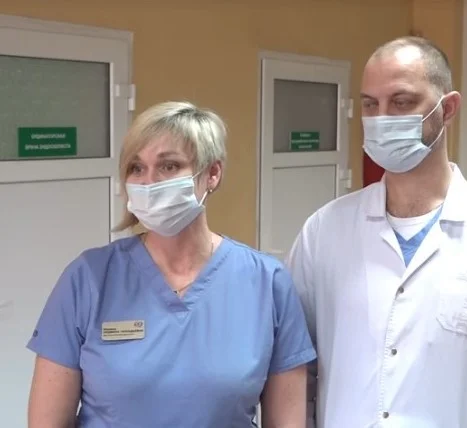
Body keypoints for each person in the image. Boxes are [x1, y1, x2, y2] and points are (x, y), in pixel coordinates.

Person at [286, 37, 467, 428]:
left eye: (402, 102)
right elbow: (294, 363)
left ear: (448, 109)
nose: (382, 119)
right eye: (371, 104)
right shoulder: (324, 230)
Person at [27, 101, 316, 428]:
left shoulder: (267, 283)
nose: (149, 182)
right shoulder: (89, 279)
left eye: (169, 166)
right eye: (137, 168)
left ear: (212, 174)